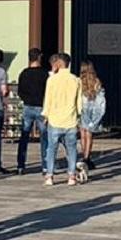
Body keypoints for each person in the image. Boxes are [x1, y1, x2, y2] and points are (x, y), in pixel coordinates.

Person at [42, 52, 83, 186]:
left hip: (54, 119)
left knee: (51, 149)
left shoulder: (52, 80)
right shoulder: (76, 80)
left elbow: (48, 99)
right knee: (71, 149)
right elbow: (79, 102)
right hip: (70, 119)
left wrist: (46, 114)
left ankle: (49, 176)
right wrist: (78, 115)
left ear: (59, 63)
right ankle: (71, 176)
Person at [12, 48, 49, 172]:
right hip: (40, 106)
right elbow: (48, 91)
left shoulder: (24, 73)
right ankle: (45, 165)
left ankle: (20, 165)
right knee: (44, 137)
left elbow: (20, 91)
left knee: (24, 136)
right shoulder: (44, 74)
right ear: (39, 57)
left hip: (27, 106)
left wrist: (26, 99)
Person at [77, 60, 108, 181]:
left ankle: (83, 154)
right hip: (93, 109)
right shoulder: (96, 81)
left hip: (83, 109)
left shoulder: (79, 81)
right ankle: (87, 157)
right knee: (89, 134)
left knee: (83, 134)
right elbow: (100, 98)